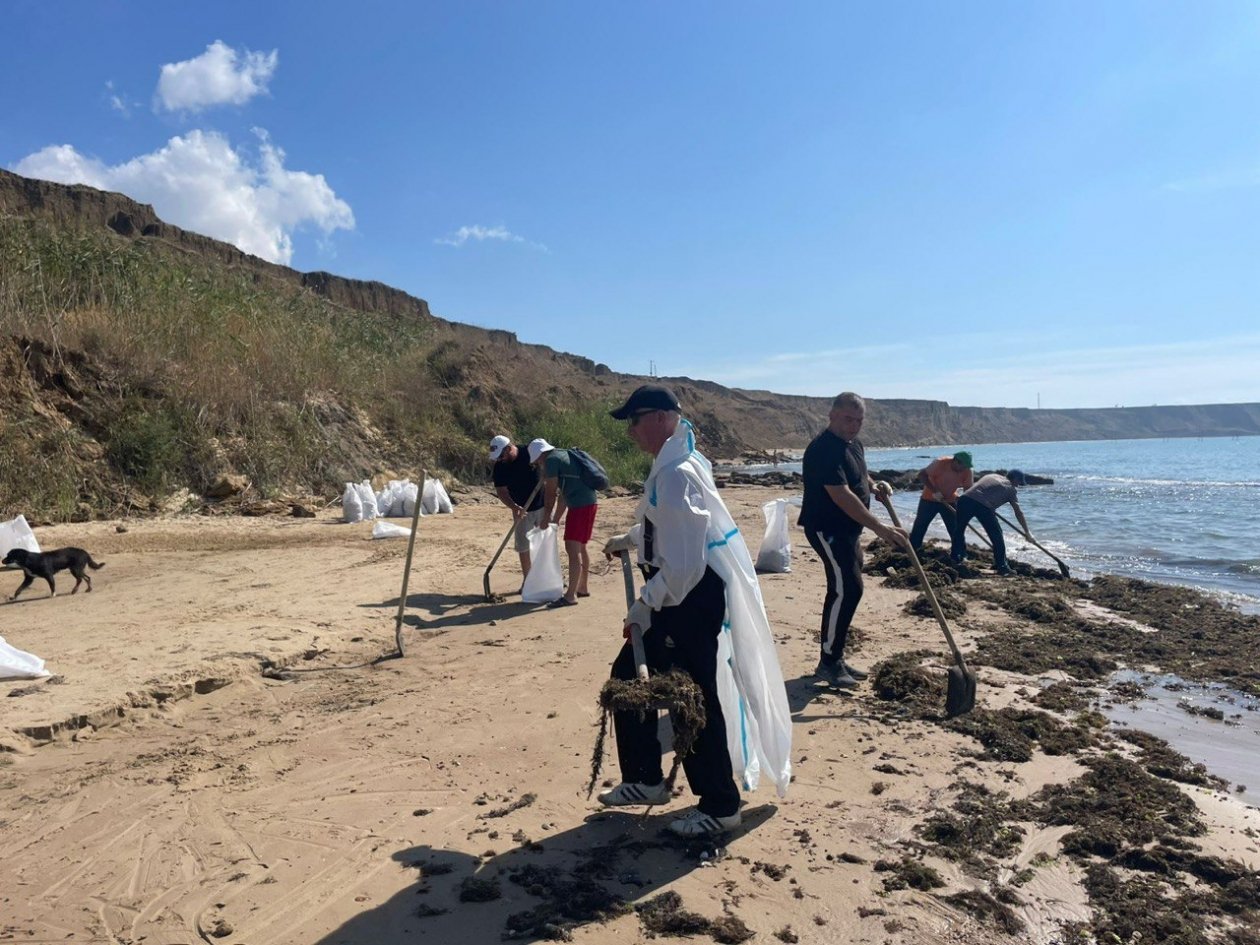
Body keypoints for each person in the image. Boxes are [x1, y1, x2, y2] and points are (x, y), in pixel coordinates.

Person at [598, 384, 793, 837]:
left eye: (635, 419)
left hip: (687, 598)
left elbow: (686, 565)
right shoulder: (673, 465)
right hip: (678, 593)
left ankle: (721, 805)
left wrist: (644, 603)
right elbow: (668, 525)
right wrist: (630, 539)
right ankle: (647, 779)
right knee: (629, 680)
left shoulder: (677, 472)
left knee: (692, 699)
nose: (630, 431)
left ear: (663, 417)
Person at [799, 392, 909, 689]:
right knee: (847, 588)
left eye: (859, 420)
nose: (854, 425)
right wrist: (881, 529)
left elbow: (859, 474)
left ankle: (834, 656)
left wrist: (875, 486)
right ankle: (829, 662)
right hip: (827, 528)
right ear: (832, 415)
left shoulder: (852, 444)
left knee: (848, 588)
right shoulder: (823, 449)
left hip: (848, 530)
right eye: (848, 419)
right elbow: (841, 495)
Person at [528, 437, 598, 607]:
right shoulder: (564, 454)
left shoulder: (551, 461)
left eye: (537, 462)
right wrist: (555, 519)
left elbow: (551, 494)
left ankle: (570, 596)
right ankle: (582, 587)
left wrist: (546, 519)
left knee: (571, 548)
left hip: (580, 507)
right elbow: (564, 495)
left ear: (540, 456)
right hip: (590, 502)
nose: (537, 465)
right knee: (580, 546)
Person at [951, 469, 1031, 576]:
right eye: (1018, 483)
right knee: (997, 535)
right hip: (983, 506)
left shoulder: (991, 476)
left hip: (965, 499)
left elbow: (981, 490)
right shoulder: (1011, 489)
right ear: (1015, 479)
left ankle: (955, 557)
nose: (1018, 486)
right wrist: (1027, 532)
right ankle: (1002, 567)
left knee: (959, 530)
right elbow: (1018, 512)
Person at [489, 435, 545, 581]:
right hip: (521, 511)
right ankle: (529, 580)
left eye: (501, 455)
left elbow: (545, 463)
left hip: (542, 506)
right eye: (497, 457)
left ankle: (549, 577)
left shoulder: (529, 452)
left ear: (509, 448)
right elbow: (501, 491)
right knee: (523, 547)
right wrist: (513, 507)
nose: (500, 459)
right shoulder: (500, 466)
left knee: (545, 543)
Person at [908, 451, 974, 551]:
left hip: (949, 501)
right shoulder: (940, 463)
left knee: (956, 528)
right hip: (929, 499)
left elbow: (968, 490)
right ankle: (912, 550)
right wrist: (935, 492)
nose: (964, 469)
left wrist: (964, 501)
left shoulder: (967, 470)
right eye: (963, 466)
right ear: (955, 461)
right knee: (920, 526)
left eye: (966, 466)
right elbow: (922, 474)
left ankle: (959, 553)